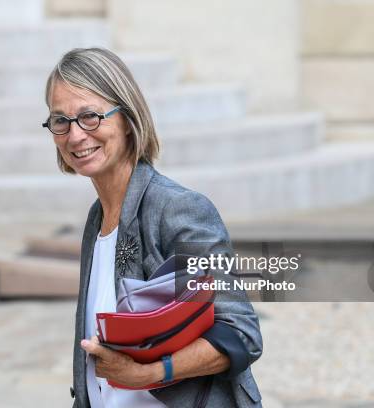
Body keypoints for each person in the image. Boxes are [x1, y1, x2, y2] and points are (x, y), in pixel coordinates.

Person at [42, 47, 263, 408]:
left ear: (127, 120)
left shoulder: (179, 208)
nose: (75, 135)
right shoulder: (96, 220)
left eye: (90, 117)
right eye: (60, 121)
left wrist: (147, 375)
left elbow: (241, 333)